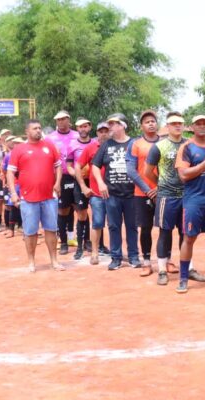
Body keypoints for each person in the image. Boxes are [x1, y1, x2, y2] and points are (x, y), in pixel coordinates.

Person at [145, 112, 205, 285]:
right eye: (173, 123)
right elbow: (147, 171)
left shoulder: (189, 145)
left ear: (184, 125)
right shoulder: (159, 146)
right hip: (167, 196)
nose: (177, 126)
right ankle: (162, 270)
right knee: (165, 232)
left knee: (187, 233)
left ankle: (189, 268)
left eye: (180, 123)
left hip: (188, 195)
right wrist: (160, 185)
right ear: (168, 126)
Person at [175, 115, 205, 293]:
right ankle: (183, 278)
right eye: (198, 124)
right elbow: (184, 174)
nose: (202, 126)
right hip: (194, 201)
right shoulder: (187, 147)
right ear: (192, 127)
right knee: (189, 238)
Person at [7, 119, 64, 273]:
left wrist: (58, 183)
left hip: (49, 197)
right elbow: (10, 172)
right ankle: (31, 262)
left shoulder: (50, 146)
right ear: (27, 132)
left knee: (51, 229)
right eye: (34, 128)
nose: (38, 130)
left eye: (39, 128)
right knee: (30, 232)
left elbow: (58, 167)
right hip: (28, 198)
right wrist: (13, 193)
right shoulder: (19, 149)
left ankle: (54, 261)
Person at [91, 113, 140, 270]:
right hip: (112, 194)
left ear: (122, 126)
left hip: (132, 193)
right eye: (109, 123)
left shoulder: (134, 143)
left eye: (113, 124)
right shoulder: (106, 145)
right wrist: (100, 183)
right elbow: (95, 165)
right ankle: (116, 257)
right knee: (113, 226)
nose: (110, 127)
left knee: (132, 226)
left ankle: (133, 256)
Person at [126, 110, 160, 276]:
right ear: (141, 126)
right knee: (145, 228)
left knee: (165, 228)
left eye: (153, 121)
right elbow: (131, 171)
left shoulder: (165, 143)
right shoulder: (135, 144)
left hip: (163, 192)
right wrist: (148, 190)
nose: (151, 123)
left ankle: (165, 260)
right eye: (147, 122)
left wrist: (159, 188)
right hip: (142, 193)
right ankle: (146, 261)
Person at [76, 122, 111, 265]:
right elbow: (78, 166)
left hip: (115, 193)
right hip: (97, 194)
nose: (104, 134)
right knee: (97, 223)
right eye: (101, 131)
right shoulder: (91, 148)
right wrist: (83, 186)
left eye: (106, 131)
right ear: (97, 133)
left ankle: (116, 252)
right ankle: (95, 253)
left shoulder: (117, 147)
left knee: (114, 224)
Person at [48, 110, 80, 254]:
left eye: (63, 119)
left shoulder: (77, 135)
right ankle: (64, 242)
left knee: (81, 209)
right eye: (58, 120)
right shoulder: (50, 138)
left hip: (78, 177)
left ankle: (84, 241)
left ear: (68, 119)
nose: (60, 122)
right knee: (62, 210)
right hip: (60, 178)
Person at [67, 118, 95, 260]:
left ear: (89, 127)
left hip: (95, 181)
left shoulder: (96, 143)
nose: (83, 129)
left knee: (98, 213)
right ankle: (80, 247)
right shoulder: (72, 144)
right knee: (82, 213)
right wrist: (77, 174)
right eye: (80, 127)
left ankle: (95, 244)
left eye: (85, 126)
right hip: (79, 182)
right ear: (77, 129)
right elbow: (69, 165)